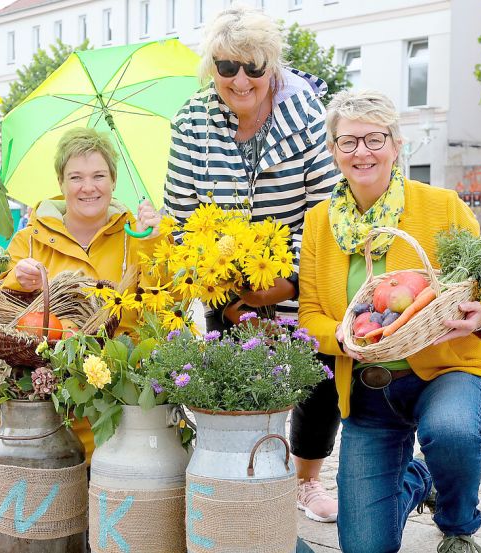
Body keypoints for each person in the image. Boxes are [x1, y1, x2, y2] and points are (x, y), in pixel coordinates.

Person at [297, 89, 481, 553]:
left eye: (374, 138)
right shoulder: (317, 222)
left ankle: (457, 525)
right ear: (333, 151)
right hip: (368, 392)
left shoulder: (442, 206)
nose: (362, 152)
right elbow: (309, 316)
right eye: (348, 142)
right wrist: (343, 338)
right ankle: (415, 480)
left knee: (450, 431)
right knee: (364, 547)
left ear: (396, 144)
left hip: (447, 370)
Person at [163, 4, 341, 524]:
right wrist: (212, 276)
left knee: (317, 378)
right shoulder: (192, 122)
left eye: (253, 67)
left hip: (295, 270)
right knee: (235, 378)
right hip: (225, 280)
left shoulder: (308, 118)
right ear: (212, 70)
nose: (241, 80)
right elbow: (179, 215)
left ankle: (306, 480)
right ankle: (242, 473)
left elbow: (326, 212)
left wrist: (287, 284)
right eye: (226, 67)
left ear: (273, 66)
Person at [0, 126, 164, 460]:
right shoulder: (29, 240)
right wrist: (18, 278)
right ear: (61, 184)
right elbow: (0, 306)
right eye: (76, 177)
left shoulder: (140, 236)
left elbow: (165, 307)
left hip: (121, 410)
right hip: (49, 413)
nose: (88, 187)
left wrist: (155, 242)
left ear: (114, 181)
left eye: (99, 176)